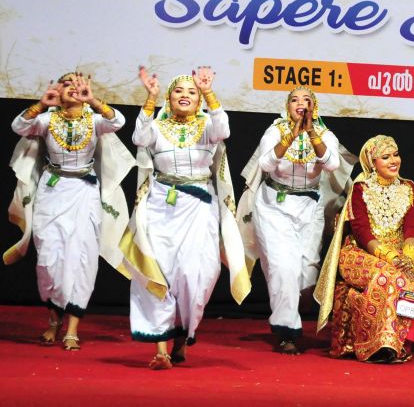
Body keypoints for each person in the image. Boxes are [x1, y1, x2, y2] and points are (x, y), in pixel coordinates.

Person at [118, 66, 249, 370]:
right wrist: (149, 99)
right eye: (179, 91)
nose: (185, 95)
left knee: (195, 275)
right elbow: (139, 137)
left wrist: (209, 92)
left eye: (192, 91)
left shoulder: (206, 125)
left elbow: (223, 130)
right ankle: (161, 350)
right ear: (169, 97)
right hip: (160, 206)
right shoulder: (157, 126)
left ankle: (181, 337)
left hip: (199, 207)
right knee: (158, 272)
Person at [6, 72, 133, 351]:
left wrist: (95, 101)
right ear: (58, 91)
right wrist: (41, 104)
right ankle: (53, 320)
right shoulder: (47, 119)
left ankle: (71, 328)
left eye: (79, 84)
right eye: (67, 84)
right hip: (52, 192)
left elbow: (118, 121)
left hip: (84, 193)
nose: (73, 89)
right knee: (49, 259)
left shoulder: (95, 120)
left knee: (81, 257)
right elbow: (19, 126)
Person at [237, 86, 353, 355]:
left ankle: (290, 313)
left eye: (307, 100)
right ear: (287, 106)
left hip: (309, 206)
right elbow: (265, 165)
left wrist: (311, 132)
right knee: (283, 268)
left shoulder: (325, 134)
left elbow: (333, 164)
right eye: (294, 100)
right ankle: (286, 331)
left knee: (306, 275)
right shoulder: (275, 131)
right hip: (274, 205)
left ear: (315, 106)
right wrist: (290, 136)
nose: (300, 104)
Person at [313, 135, 414, 363]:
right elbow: (362, 232)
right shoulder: (361, 188)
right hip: (360, 253)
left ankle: (399, 344)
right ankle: (373, 345)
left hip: (398, 255)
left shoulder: (409, 188)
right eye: (385, 157)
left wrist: (406, 257)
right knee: (386, 278)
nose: (393, 160)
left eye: (395, 155)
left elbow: (412, 229)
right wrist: (391, 257)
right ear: (371, 162)